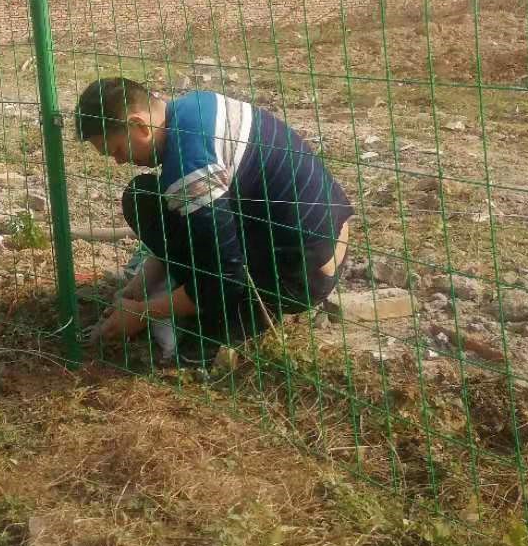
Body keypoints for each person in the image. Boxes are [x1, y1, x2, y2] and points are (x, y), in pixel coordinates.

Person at [74, 77, 353, 365]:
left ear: (140, 126)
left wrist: (144, 313)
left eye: (117, 150)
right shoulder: (193, 108)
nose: (119, 161)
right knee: (144, 197)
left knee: (208, 305)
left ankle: (237, 319)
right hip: (316, 239)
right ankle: (209, 305)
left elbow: (223, 278)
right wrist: (141, 284)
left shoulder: (190, 166)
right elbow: (190, 225)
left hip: (300, 276)